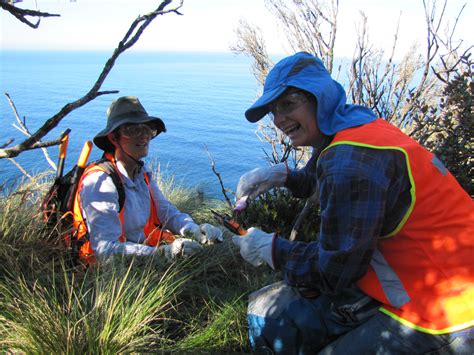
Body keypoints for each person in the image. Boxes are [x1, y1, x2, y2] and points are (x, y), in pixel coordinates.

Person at [232, 52, 473, 354]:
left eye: (288, 104)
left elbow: (335, 270)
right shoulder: (359, 127)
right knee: (281, 312)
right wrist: (282, 177)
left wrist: (271, 249)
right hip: (428, 277)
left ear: (320, 97)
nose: (279, 120)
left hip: (449, 308)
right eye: (273, 110)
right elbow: (328, 184)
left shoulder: (350, 160)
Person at [73, 96, 223, 264]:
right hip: (110, 275)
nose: (143, 136)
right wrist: (160, 253)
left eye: (147, 129)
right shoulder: (100, 182)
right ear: (113, 138)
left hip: (145, 257)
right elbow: (105, 250)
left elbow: (167, 213)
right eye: (132, 129)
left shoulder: (142, 173)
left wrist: (195, 230)